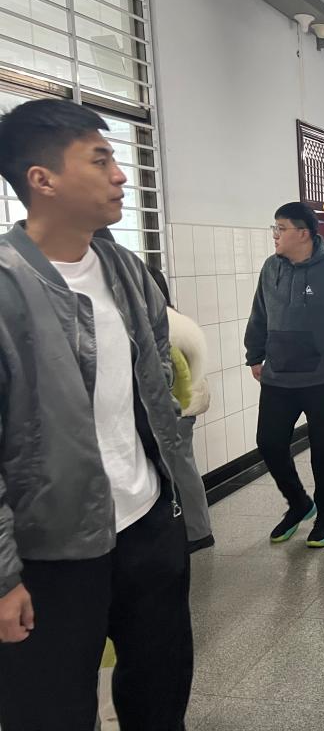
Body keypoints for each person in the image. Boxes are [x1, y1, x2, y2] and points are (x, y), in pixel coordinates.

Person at [0, 99, 193, 729]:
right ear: (43, 179)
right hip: (52, 550)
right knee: (51, 709)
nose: (120, 175)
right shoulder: (7, 285)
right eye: (100, 159)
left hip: (146, 523)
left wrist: (173, 504)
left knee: (160, 692)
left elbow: (156, 374)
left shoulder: (125, 269)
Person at [244, 202, 324, 549]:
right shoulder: (271, 268)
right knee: (269, 443)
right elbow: (259, 314)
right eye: (274, 228)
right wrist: (254, 355)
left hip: (322, 377)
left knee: (323, 451)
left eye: (281, 228)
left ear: (303, 233)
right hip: (278, 376)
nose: (275, 235)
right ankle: (299, 503)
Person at [147, 267, 215, 554]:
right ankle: (192, 529)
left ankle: (198, 531)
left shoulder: (163, 323)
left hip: (179, 409)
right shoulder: (171, 317)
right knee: (181, 467)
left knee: (181, 469)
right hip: (182, 406)